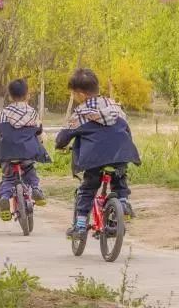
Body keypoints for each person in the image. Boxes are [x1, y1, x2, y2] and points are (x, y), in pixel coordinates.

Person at [54, 67, 141, 239]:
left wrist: (60, 145)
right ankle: (122, 203)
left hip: (94, 160)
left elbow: (64, 137)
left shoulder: (80, 113)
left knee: (87, 189)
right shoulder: (115, 106)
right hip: (121, 153)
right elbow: (126, 129)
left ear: (80, 94)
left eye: (73, 94)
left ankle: (79, 226)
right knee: (120, 180)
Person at [0, 78, 50, 221]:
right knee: (30, 172)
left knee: (8, 178)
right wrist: (42, 147)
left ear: (9, 96)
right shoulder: (33, 114)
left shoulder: (0, 114)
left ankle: (5, 197)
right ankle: (36, 190)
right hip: (28, 153)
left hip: (6, 153)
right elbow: (38, 134)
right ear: (28, 95)